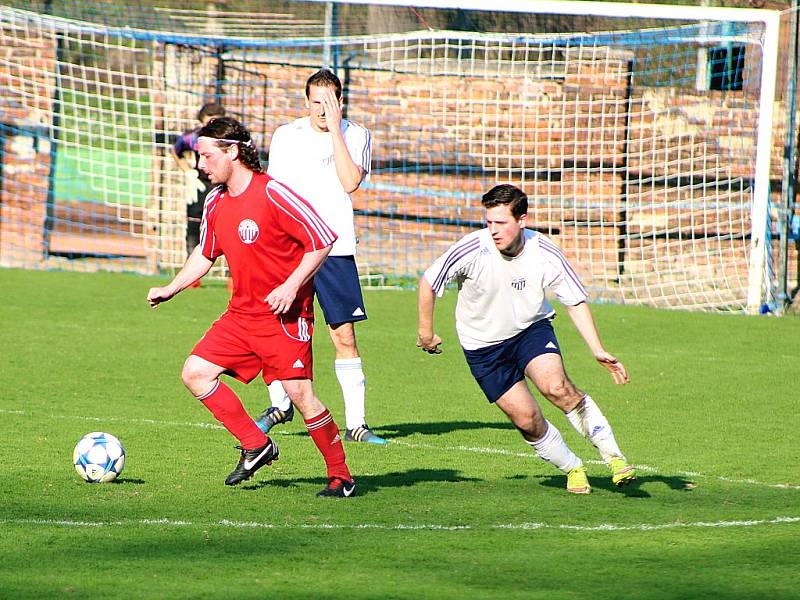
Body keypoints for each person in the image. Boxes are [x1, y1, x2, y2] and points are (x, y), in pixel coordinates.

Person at [147, 116, 357, 498]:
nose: (200, 164)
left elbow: (323, 239)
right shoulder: (215, 201)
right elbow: (206, 252)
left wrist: (292, 286)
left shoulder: (274, 194)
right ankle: (256, 444)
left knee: (300, 395)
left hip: (283, 319)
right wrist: (172, 287)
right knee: (195, 373)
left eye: (207, 156)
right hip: (241, 316)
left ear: (232, 152)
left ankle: (341, 477)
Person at [416, 184, 636, 494]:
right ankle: (572, 466)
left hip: (530, 330)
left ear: (522, 220)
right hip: (483, 348)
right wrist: (426, 332)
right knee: (527, 419)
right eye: (489, 222)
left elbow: (573, 300)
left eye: (501, 223)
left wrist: (597, 349)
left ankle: (614, 458)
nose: (493, 230)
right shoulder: (471, 249)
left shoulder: (544, 252)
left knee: (557, 387)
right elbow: (429, 281)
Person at [255, 68, 386, 445]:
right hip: (291, 248)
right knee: (278, 326)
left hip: (336, 248)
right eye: (316, 104)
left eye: (329, 104)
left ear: (340, 101)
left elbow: (349, 183)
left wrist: (335, 135)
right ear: (306, 101)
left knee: (343, 334)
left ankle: (357, 424)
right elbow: (274, 192)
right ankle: (280, 405)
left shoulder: (356, 134)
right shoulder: (286, 135)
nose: (322, 112)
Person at [170, 102, 226, 281]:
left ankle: (234, 276)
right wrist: (188, 172)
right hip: (200, 185)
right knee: (194, 227)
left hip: (223, 185)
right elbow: (175, 150)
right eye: (208, 122)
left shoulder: (228, 138)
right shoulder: (192, 138)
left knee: (229, 228)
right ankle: (191, 278)